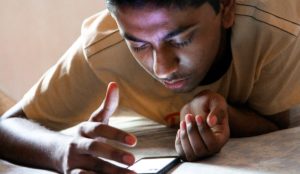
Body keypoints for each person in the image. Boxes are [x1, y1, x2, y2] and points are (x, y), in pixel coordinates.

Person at [1, 0, 300, 173]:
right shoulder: (104, 49)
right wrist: (63, 150)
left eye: (180, 40)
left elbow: (281, 127)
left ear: (226, 9)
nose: (162, 68)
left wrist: (227, 115)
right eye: (138, 45)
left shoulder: (278, 30)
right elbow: (8, 126)